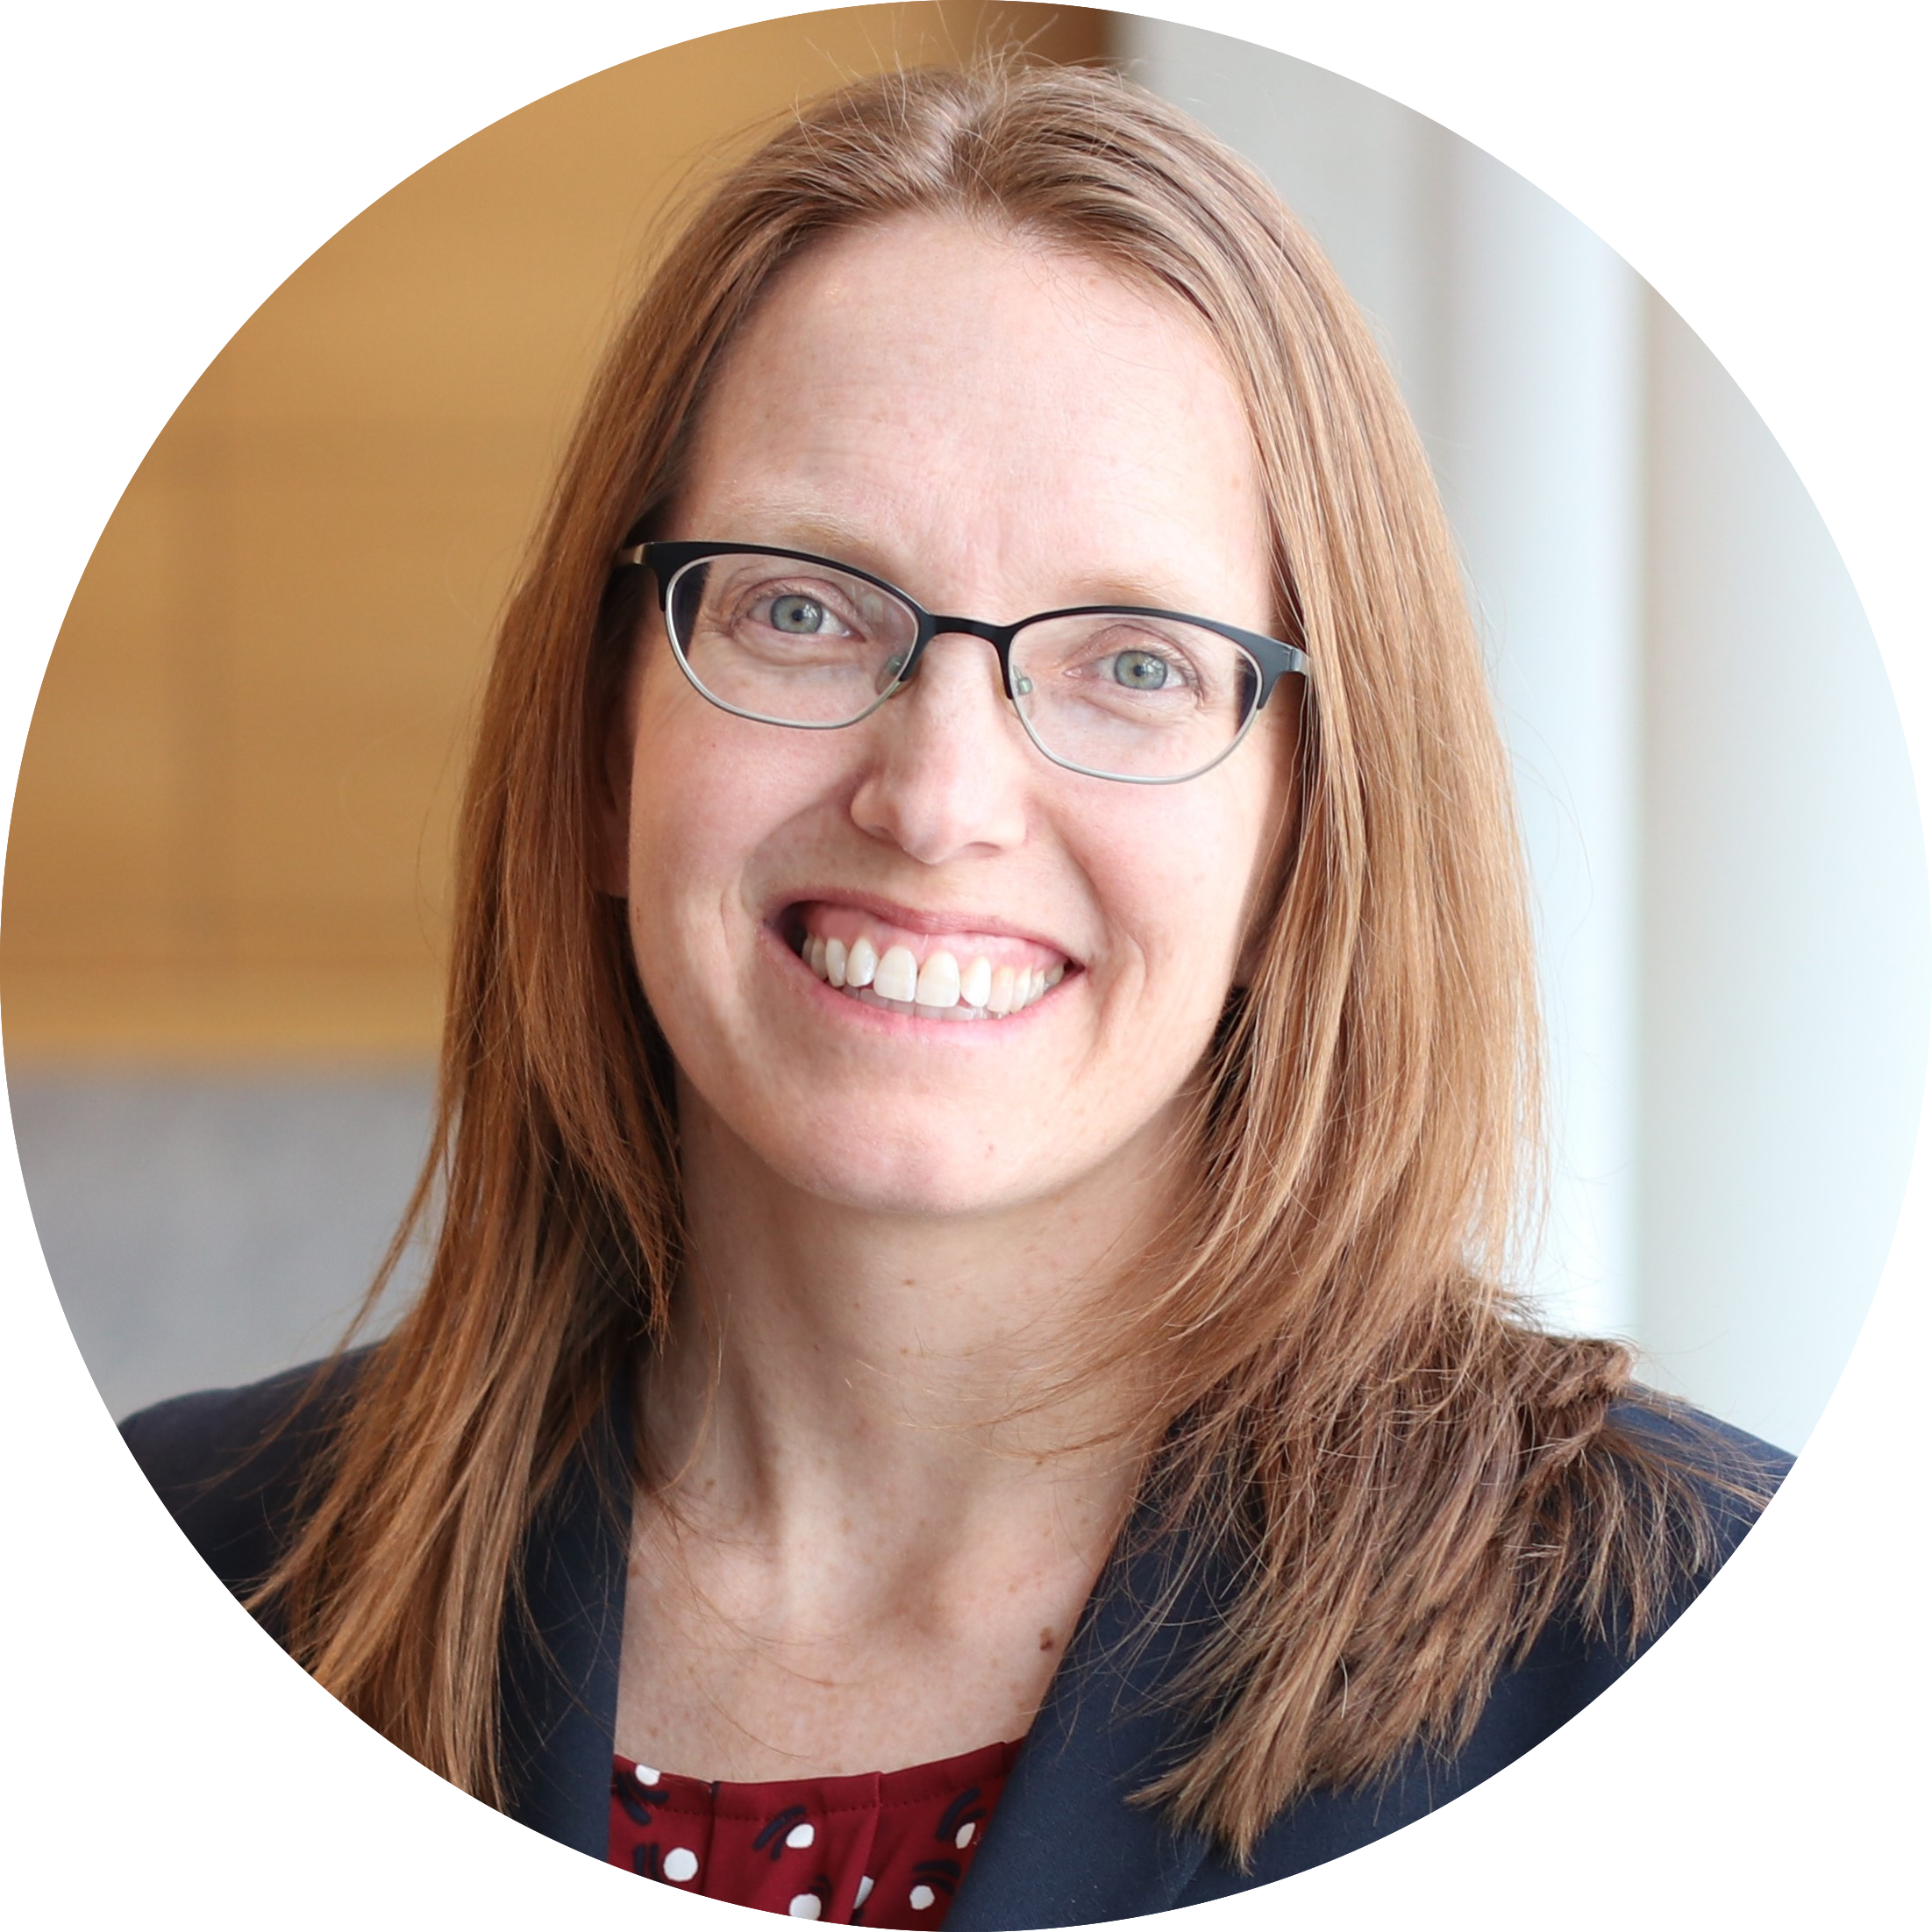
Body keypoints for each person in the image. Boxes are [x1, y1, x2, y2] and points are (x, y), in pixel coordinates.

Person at [121, 54, 1800, 1932]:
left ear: (1308, 833)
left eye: (1133, 665)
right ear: (605, 740)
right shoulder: (194, 1588)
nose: (936, 797)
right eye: (802, 608)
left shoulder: (1719, 1661)